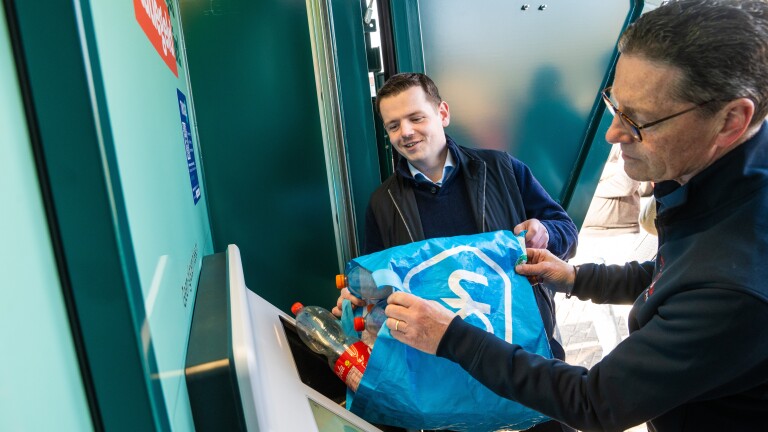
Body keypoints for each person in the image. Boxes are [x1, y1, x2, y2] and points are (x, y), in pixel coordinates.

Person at [382, 1, 768, 431]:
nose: (613, 133)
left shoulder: (737, 281)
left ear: (730, 120)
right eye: (614, 104)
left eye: (638, 120)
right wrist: (575, 278)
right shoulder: (709, 183)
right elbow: (670, 274)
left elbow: (594, 402)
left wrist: (451, 336)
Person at [333, 72, 579, 432]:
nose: (406, 132)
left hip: (526, 354)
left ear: (443, 113)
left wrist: (546, 233)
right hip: (442, 375)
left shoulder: (502, 169)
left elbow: (567, 232)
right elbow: (379, 289)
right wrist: (358, 298)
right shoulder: (383, 204)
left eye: (416, 118)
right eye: (393, 125)